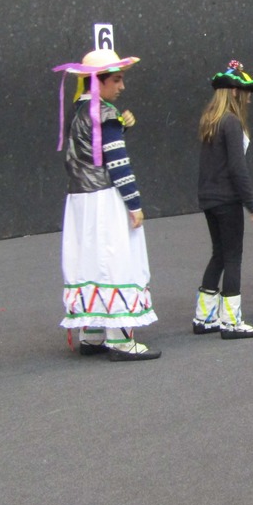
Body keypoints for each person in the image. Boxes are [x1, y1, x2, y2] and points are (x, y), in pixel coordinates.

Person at [52, 48, 160, 360]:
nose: (122, 86)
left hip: (79, 201)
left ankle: (92, 333)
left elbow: (91, 150)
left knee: (88, 260)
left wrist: (121, 127)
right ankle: (121, 339)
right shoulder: (105, 113)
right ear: (98, 81)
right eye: (117, 80)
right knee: (117, 260)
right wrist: (134, 204)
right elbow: (118, 164)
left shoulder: (79, 111)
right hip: (105, 199)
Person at [192, 60, 253, 338]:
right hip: (227, 199)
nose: (249, 98)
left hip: (209, 199)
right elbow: (237, 168)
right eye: (246, 92)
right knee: (233, 257)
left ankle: (204, 317)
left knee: (220, 254)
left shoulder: (210, 121)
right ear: (235, 91)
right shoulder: (232, 122)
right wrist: (252, 203)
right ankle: (231, 322)